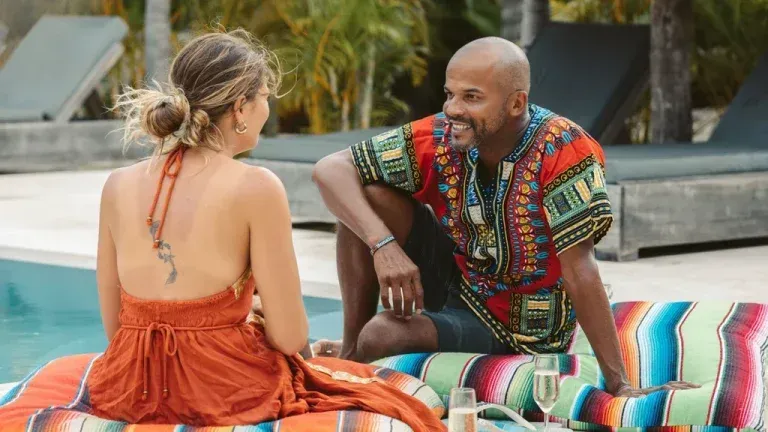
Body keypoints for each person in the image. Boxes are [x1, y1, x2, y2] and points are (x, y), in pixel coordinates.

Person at [0, 29, 446, 431]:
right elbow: (290, 337)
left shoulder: (117, 184)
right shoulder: (257, 187)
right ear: (239, 108)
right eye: (265, 96)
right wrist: (245, 313)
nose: (268, 108)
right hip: (224, 386)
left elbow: (116, 327)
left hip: (128, 384)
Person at [311, 37, 700, 398]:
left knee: (380, 335)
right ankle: (348, 355)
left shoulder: (564, 150)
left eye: (472, 97)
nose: (452, 109)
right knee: (365, 199)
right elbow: (331, 168)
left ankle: (361, 351)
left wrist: (619, 386)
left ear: (516, 104)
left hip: (518, 326)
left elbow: (581, 271)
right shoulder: (445, 134)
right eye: (450, 94)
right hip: (459, 277)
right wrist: (384, 246)